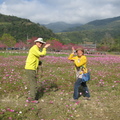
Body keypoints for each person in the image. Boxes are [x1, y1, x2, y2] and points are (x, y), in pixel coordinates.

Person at [25, 38, 50, 103]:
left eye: (41, 43)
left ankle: (31, 97)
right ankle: (31, 99)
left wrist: (38, 62)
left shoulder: (36, 49)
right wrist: (45, 48)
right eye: (39, 42)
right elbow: (42, 54)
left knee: (33, 83)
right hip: (31, 68)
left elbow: (34, 57)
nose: (40, 44)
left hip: (31, 68)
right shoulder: (34, 48)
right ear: (36, 42)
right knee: (33, 84)